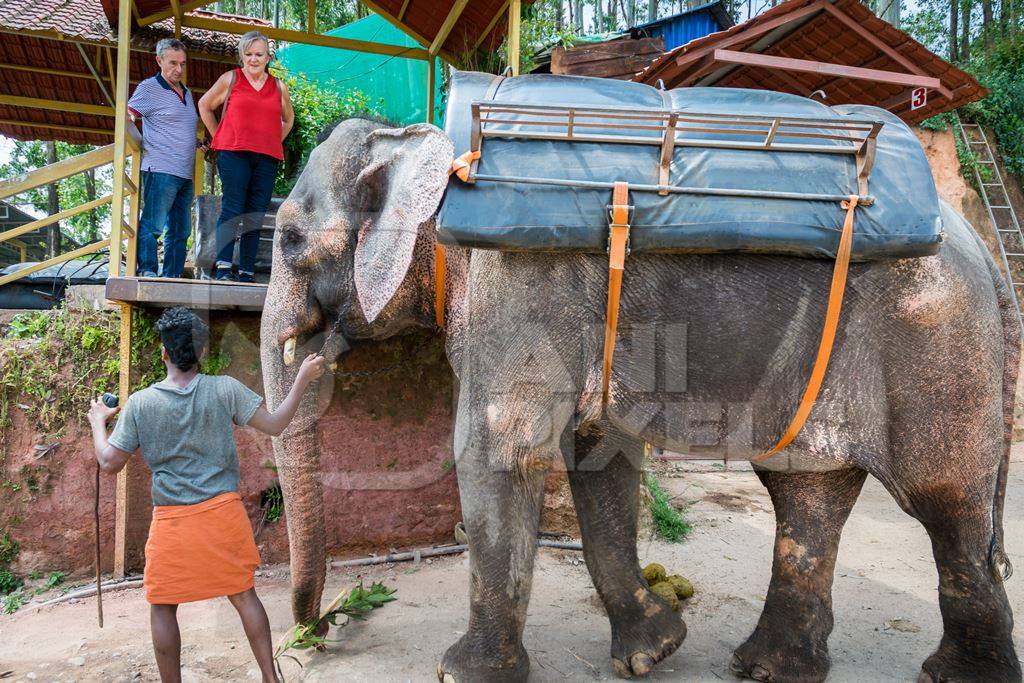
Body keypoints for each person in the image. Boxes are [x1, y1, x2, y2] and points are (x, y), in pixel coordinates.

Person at [87, 307, 325, 683]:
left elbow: (108, 462)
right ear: (200, 353)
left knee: (163, 607)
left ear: (164, 353)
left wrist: (98, 422)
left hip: (172, 521)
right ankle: (269, 677)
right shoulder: (225, 389)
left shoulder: (141, 404)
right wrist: (302, 379)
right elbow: (278, 424)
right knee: (244, 594)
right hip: (222, 515)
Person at [198, 31, 294, 283]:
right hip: (233, 153)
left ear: (267, 57)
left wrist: (274, 140)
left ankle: (247, 272)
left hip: (266, 158)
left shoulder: (278, 86)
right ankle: (223, 269)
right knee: (233, 207)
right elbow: (205, 105)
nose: (253, 59)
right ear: (242, 55)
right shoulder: (230, 79)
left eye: (259, 54)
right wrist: (219, 135)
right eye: (248, 54)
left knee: (256, 213)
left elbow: (288, 119)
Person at [127, 38, 204, 279]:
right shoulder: (149, 88)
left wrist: (197, 143)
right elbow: (127, 117)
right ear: (159, 61)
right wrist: (141, 144)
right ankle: (148, 271)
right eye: (172, 63)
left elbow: (181, 126)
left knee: (181, 231)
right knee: (153, 225)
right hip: (159, 167)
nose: (178, 69)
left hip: (184, 172)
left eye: (182, 64)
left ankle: (171, 277)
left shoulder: (187, 93)